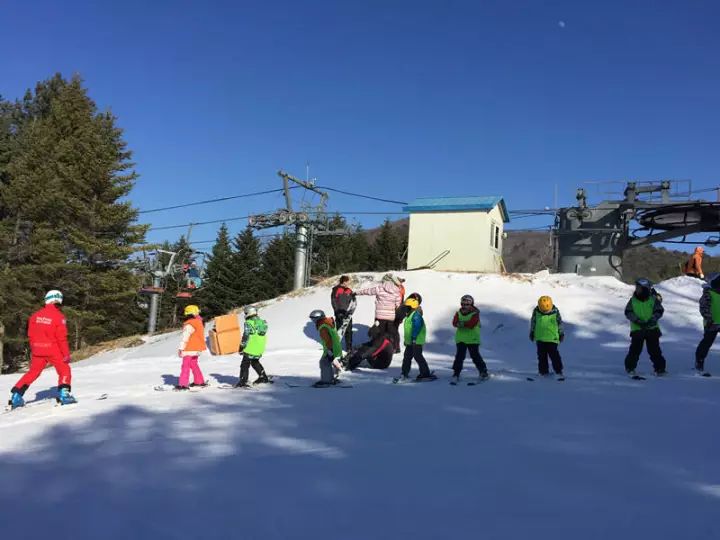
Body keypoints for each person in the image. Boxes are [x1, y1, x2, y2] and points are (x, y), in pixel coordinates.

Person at [7, 290, 76, 408]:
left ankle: (16, 395)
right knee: (64, 370)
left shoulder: (35, 316)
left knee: (33, 372)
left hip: (37, 350)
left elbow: (30, 334)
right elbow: (61, 338)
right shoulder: (59, 317)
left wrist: (35, 347)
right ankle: (64, 394)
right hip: (53, 349)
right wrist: (66, 354)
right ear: (58, 300)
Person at [624, 278, 667, 376]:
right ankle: (630, 368)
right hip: (637, 330)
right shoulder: (633, 301)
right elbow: (628, 312)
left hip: (652, 329)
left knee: (655, 350)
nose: (637, 290)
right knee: (635, 350)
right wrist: (637, 321)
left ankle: (660, 368)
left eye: (640, 288)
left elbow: (659, 311)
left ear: (646, 289)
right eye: (637, 288)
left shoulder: (653, 299)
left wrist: (652, 320)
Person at [356, 273, 402, 351]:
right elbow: (398, 305)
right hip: (390, 317)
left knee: (379, 333)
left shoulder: (379, 288)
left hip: (380, 317)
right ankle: (396, 348)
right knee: (392, 332)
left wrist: (356, 293)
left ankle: (377, 348)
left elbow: (368, 291)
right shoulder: (396, 291)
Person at [451, 295, 488, 383]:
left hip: (472, 339)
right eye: (463, 304)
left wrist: (462, 324)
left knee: (475, 356)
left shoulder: (475, 313)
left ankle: (483, 372)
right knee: (459, 357)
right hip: (461, 339)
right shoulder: (458, 312)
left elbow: (472, 324)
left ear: (471, 304)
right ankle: (456, 373)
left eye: (467, 304)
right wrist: (460, 324)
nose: (464, 306)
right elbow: (454, 322)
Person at [397, 296, 434, 382]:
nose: (405, 309)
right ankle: (404, 373)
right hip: (411, 341)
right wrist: (407, 341)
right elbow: (408, 330)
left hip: (416, 341)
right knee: (407, 357)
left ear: (412, 307)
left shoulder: (416, 316)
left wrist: (413, 338)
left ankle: (425, 373)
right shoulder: (409, 315)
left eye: (407, 307)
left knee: (418, 356)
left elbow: (416, 327)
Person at [530, 296, 565, 379]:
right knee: (541, 356)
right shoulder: (536, 312)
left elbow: (560, 324)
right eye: (543, 311)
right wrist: (532, 332)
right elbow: (533, 322)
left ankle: (558, 371)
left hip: (552, 338)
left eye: (546, 311)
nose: (545, 312)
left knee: (554, 356)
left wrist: (561, 333)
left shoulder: (555, 312)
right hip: (540, 338)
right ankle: (543, 372)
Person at [235, 306, 271, 387]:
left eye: (246, 313)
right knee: (255, 362)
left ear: (249, 312)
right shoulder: (262, 322)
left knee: (245, 364)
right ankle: (263, 377)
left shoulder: (248, 323)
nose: (245, 314)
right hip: (260, 347)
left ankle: (243, 381)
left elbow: (246, 336)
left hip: (250, 347)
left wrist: (241, 347)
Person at [309, 309, 344, 387]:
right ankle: (330, 379)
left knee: (324, 363)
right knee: (327, 363)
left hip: (331, 348)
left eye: (313, 319)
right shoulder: (327, 323)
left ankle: (326, 381)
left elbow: (328, 340)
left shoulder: (323, 327)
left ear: (318, 318)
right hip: (334, 347)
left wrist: (330, 351)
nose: (313, 321)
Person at [176, 304, 207, 390]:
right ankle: (199, 381)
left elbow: (185, 338)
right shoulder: (199, 322)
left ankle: (183, 384)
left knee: (185, 366)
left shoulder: (189, 324)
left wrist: (181, 348)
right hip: (197, 348)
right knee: (194, 365)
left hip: (189, 349)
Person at [695, 274, 720, 374]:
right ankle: (699, 362)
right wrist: (709, 319)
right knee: (706, 343)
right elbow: (704, 308)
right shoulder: (708, 293)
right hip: (712, 324)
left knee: (706, 343)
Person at [330, 275, 354, 351]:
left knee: (349, 331)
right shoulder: (336, 289)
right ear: (344, 281)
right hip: (339, 313)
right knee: (339, 331)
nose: (348, 283)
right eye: (347, 281)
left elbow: (352, 301)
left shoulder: (349, 290)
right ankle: (336, 348)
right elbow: (333, 301)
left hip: (348, 314)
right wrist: (337, 311)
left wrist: (351, 311)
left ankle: (349, 348)